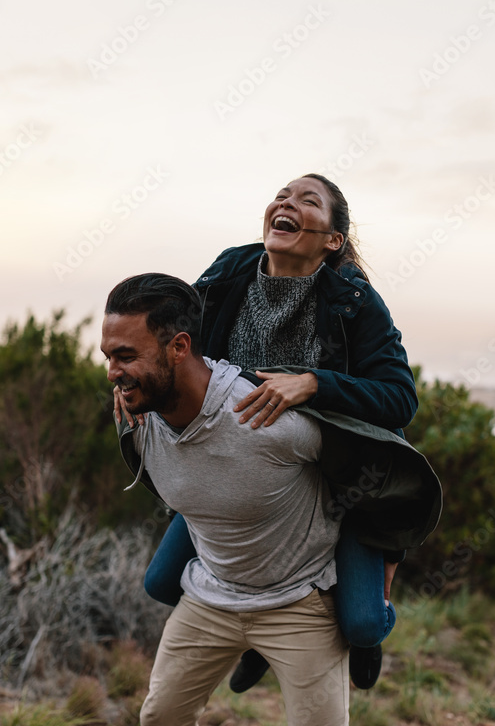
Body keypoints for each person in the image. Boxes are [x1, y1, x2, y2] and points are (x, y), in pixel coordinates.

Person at [117, 173, 421, 690]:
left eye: (308, 201)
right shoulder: (231, 269)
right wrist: (133, 384)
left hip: (327, 480)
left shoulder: (355, 300)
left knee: (362, 622)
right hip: (235, 473)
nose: (287, 203)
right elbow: (169, 338)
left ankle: (370, 634)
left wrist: (313, 383)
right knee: (162, 582)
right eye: (283, 195)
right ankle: (260, 638)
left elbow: (400, 399)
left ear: (332, 240)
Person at [102, 273, 351, 726]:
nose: (113, 375)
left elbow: (366, 466)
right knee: (160, 718)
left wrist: (381, 561)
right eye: (107, 357)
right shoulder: (136, 420)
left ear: (179, 347)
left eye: (125, 357)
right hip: (211, 596)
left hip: (299, 601)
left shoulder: (268, 419)